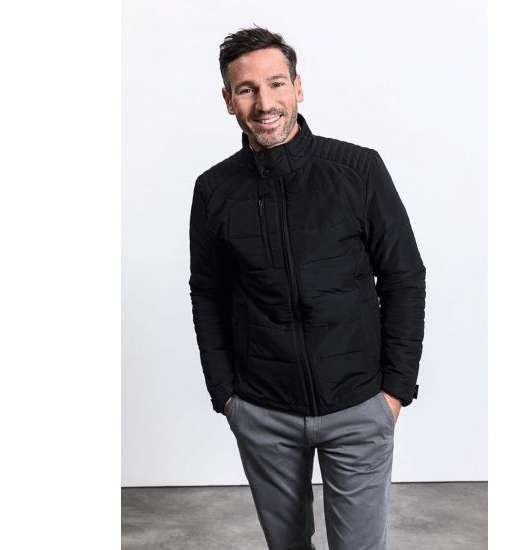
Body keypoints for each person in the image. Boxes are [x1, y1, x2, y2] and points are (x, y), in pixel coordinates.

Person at [189, 25, 426, 550]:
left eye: (276, 83)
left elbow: (404, 276)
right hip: (263, 410)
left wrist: (394, 391)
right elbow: (206, 293)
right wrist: (226, 395)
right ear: (228, 101)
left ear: (298, 87)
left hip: (359, 405)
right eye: (247, 89)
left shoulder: (358, 169)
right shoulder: (213, 190)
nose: (265, 103)